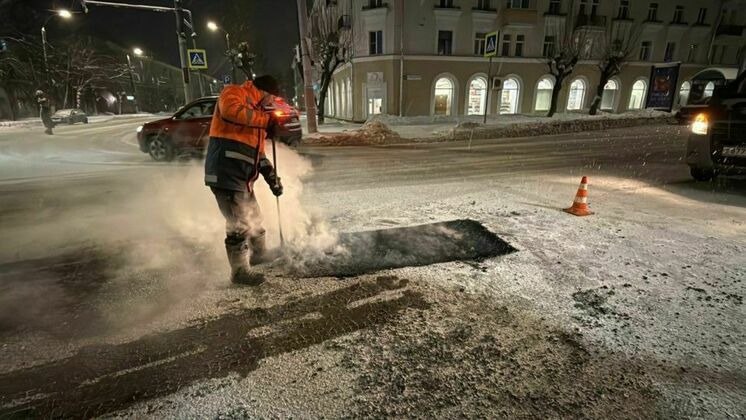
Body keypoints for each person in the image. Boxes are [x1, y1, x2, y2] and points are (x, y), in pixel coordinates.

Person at [204, 45, 283, 286]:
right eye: (272, 98)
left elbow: (259, 155)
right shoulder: (233, 93)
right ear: (265, 92)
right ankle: (239, 272)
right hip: (225, 173)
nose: (272, 103)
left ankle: (259, 254)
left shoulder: (257, 114)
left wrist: (272, 178)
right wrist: (265, 121)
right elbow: (231, 111)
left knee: (254, 217)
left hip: (242, 179)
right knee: (239, 224)